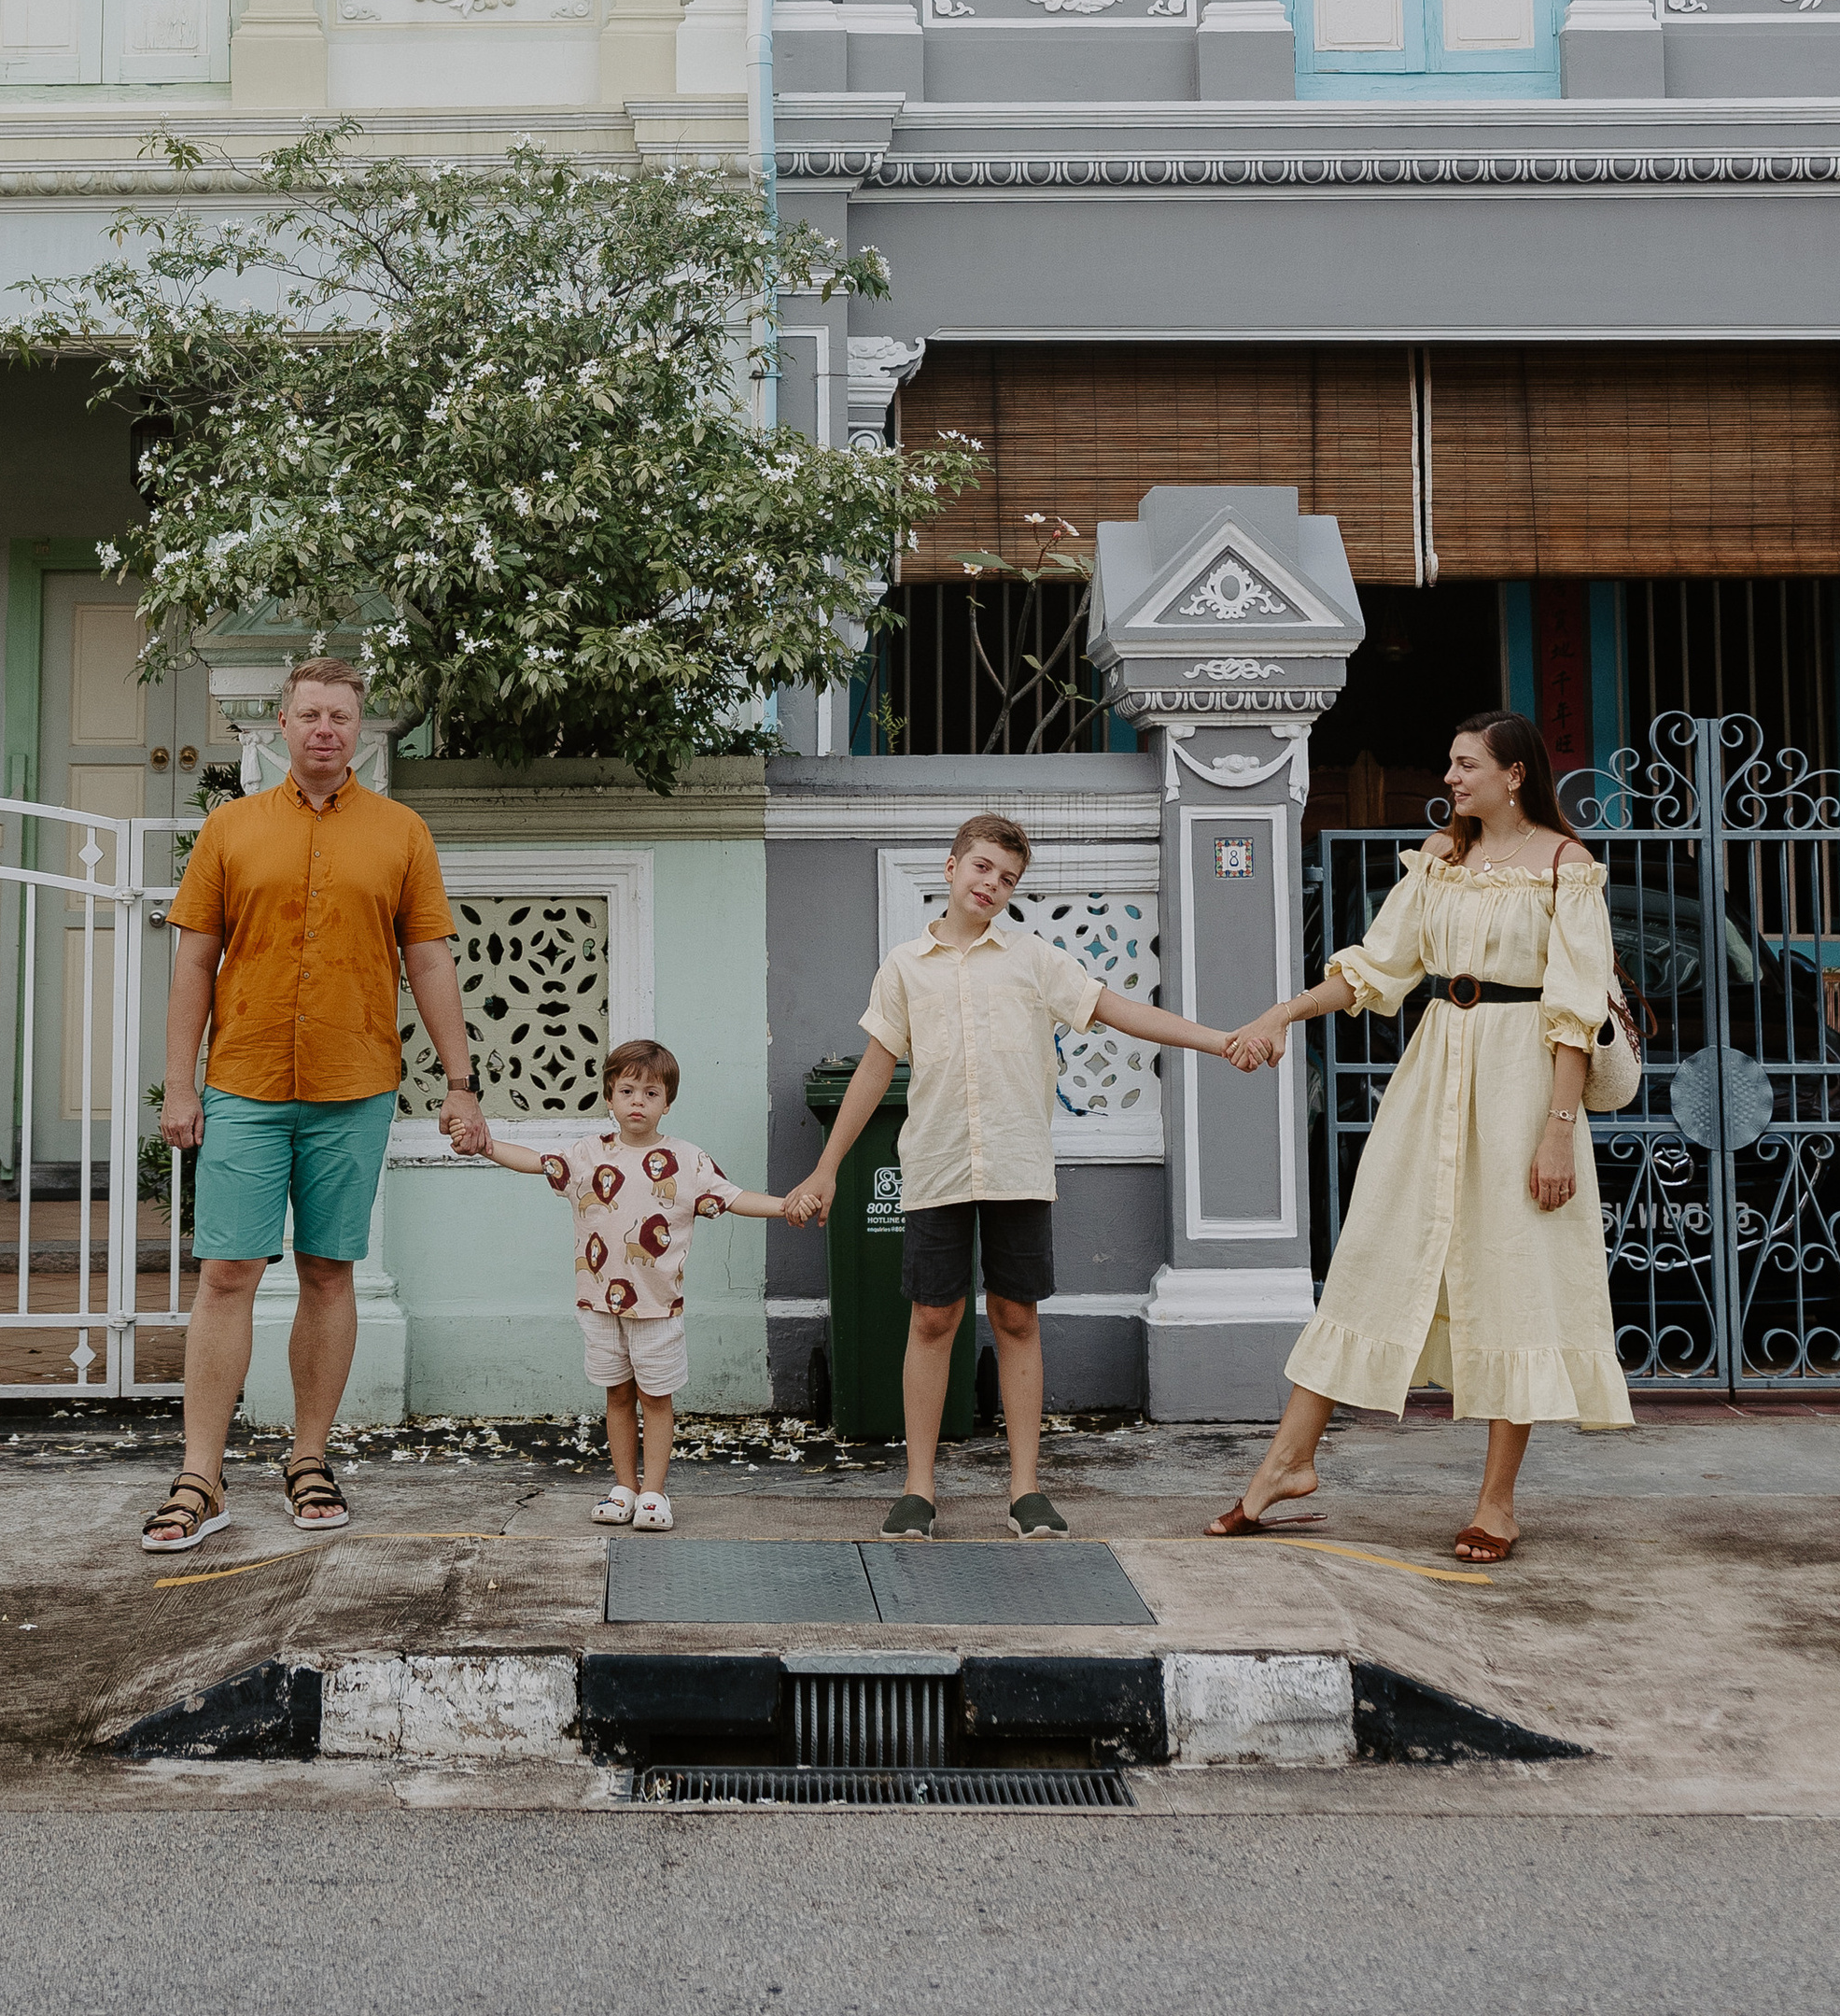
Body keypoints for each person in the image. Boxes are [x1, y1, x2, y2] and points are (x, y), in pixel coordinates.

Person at [1207, 708, 1631, 1565]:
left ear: (1514, 774)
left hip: (1524, 1084)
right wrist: (1284, 1010)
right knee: (1373, 1251)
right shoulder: (1440, 862)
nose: (1450, 777)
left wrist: (1556, 1132)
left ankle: (1497, 1503)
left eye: (1466, 763)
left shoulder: (1565, 867)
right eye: (1449, 762)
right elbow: (1377, 967)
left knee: (1515, 1273)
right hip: (1435, 1071)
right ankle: (1286, 1466)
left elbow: (1576, 1009)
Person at [784, 811, 1258, 1543]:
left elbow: (1122, 1011)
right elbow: (876, 1069)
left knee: (1015, 1318)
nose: (992, 885)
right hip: (937, 1163)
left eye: (1007, 878)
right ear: (951, 869)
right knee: (933, 1318)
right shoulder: (905, 967)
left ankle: (1025, 1490)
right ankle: (918, 1490)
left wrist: (1219, 1041)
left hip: (1016, 1164)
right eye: (982, 869)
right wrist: (827, 1168)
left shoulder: (1034, 959)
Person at [140, 657, 491, 1552]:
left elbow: (432, 961)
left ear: (358, 730)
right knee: (227, 1274)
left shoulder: (402, 833)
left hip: (353, 1086)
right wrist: (181, 1084)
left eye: (340, 716)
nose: (325, 730)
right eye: (309, 715)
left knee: (330, 1273)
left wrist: (460, 1082)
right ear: (282, 726)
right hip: (246, 1083)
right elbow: (192, 961)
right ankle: (201, 1475)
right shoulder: (229, 829)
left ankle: (307, 1459)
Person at [478, 1036, 782, 1531]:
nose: (637, 1101)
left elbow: (733, 1197)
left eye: (650, 1093)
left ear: (668, 1102)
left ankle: (655, 1494)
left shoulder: (688, 1160)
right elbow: (535, 1161)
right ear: (609, 1096)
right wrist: (486, 1145)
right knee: (617, 1394)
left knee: (656, 1398)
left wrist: (785, 1206)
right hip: (598, 1303)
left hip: (659, 1308)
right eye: (627, 1091)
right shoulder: (585, 1155)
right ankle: (624, 1487)